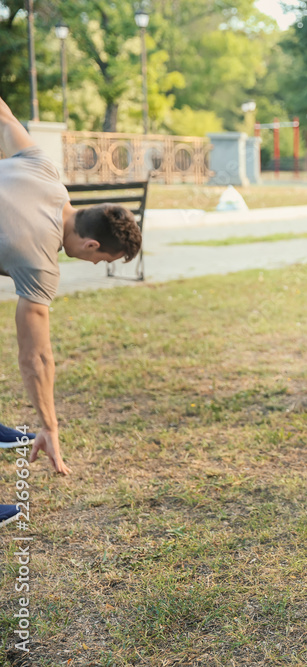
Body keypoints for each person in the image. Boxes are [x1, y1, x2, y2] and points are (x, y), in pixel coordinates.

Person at [0, 93, 143, 475]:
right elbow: (36, 357)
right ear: (92, 244)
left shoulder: (43, 168)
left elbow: (3, 114)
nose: (95, 263)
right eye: (101, 260)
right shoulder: (40, 262)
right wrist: (49, 425)